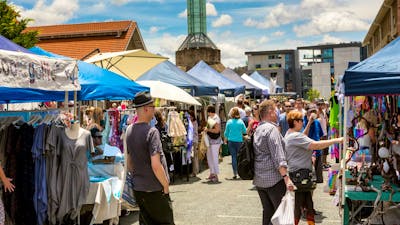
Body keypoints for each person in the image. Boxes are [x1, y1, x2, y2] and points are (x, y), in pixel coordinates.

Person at [284, 110, 344, 225]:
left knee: (307, 202)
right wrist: (336, 140)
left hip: (299, 173)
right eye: (301, 120)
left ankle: (310, 223)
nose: (302, 122)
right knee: (300, 203)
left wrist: (309, 122)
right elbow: (315, 145)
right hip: (300, 174)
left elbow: (304, 137)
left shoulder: (290, 134)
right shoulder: (295, 136)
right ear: (295, 122)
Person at [125, 91, 174, 225]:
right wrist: (165, 186)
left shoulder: (129, 130)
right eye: (152, 107)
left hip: (139, 188)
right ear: (146, 109)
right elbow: (156, 165)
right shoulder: (152, 132)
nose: (154, 110)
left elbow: (129, 162)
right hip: (154, 188)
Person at [253, 99, 294, 225]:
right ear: (270, 112)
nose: (277, 113)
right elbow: (278, 156)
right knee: (282, 215)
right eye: (275, 110)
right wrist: (286, 178)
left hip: (260, 179)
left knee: (268, 213)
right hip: (274, 180)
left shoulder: (258, 129)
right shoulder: (272, 130)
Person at [224, 107, 247, 179]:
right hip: (239, 141)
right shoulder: (240, 122)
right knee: (239, 157)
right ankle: (240, 172)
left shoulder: (229, 122)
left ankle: (235, 173)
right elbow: (244, 131)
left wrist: (225, 140)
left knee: (233, 157)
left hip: (231, 141)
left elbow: (226, 132)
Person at [204, 105, 222, 183]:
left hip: (215, 141)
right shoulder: (210, 118)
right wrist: (206, 130)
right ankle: (212, 173)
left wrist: (208, 130)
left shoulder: (216, 118)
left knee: (214, 158)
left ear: (209, 112)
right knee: (209, 157)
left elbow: (217, 130)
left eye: (207, 112)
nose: (207, 114)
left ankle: (216, 175)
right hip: (210, 141)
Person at [189, 111, 200, 176]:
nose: (189, 118)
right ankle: (196, 170)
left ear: (193, 117)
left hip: (194, 141)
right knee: (194, 156)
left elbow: (193, 132)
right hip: (194, 140)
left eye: (190, 117)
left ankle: (194, 172)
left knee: (194, 157)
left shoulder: (194, 123)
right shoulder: (193, 123)